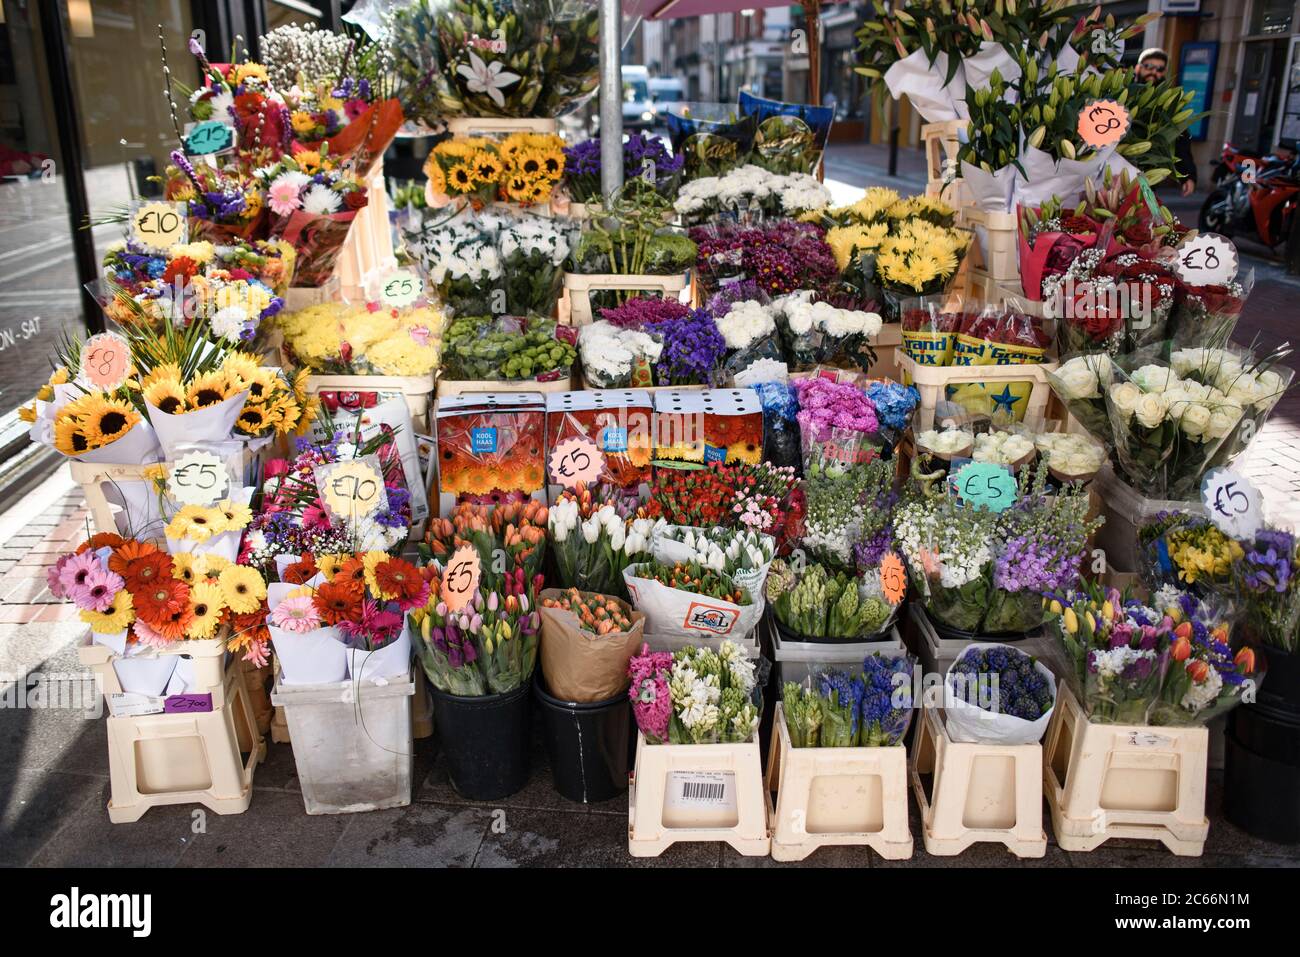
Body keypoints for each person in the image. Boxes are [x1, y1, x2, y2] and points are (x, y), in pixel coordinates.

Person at [1136, 48, 1197, 197]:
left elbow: (1180, 140)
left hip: (1147, 177)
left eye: (1160, 69)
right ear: (1138, 68)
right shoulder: (1122, 92)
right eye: (1148, 67)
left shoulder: (1167, 103)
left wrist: (1188, 175)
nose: (1153, 72)